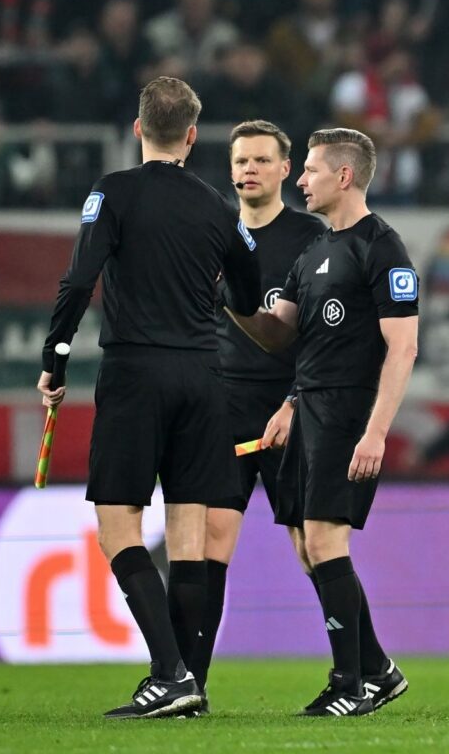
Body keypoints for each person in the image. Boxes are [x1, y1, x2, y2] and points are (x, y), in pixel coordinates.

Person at [36, 76, 261, 719]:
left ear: (138, 129)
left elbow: (79, 279)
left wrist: (55, 358)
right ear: (192, 136)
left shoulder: (113, 193)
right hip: (202, 377)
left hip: (136, 374)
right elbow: (245, 298)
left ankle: (170, 674)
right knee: (188, 539)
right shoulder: (220, 207)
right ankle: (188, 681)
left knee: (119, 530)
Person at [228, 128, 418, 717]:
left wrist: (377, 429)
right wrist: (229, 294)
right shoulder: (313, 251)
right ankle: (378, 670)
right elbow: (278, 333)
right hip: (307, 408)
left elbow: (403, 347)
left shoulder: (381, 246)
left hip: (348, 411)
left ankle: (349, 682)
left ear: (343, 176)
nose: (301, 180)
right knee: (309, 549)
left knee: (323, 540)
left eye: (309, 170)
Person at [184, 120, 327, 709]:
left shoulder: (307, 236)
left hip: (288, 409)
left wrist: (296, 400)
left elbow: (323, 336)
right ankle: (189, 685)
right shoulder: (213, 232)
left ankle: (364, 665)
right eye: (241, 161)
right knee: (212, 541)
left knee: (312, 543)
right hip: (224, 409)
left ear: (285, 170)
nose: (249, 170)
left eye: (262, 161)